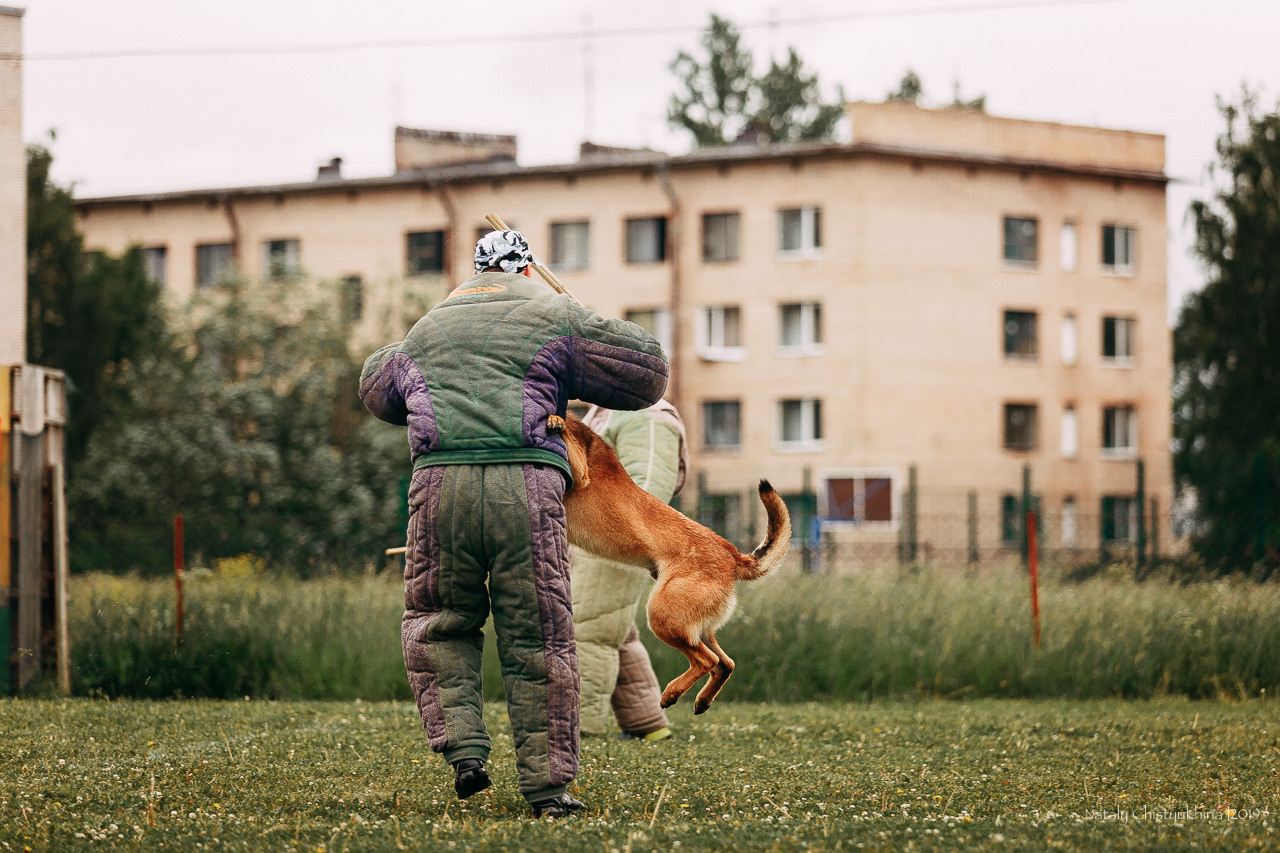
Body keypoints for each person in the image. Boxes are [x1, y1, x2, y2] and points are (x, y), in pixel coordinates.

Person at [358, 230, 668, 819]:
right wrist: (582, 316)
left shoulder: (430, 325)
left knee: (439, 623)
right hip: (525, 489)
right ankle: (549, 791)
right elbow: (647, 374)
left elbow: (377, 389)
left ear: (474, 273)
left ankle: (465, 752)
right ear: (528, 270)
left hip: (438, 489)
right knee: (539, 636)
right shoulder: (553, 313)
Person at [570, 401, 689, 741]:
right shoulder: (607, 411)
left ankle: (578, 732)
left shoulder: (648, 417)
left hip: (617, 541)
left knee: (588, 629)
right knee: (614, 629)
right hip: (594, 538)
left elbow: (650, 486)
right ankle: (646, 725)